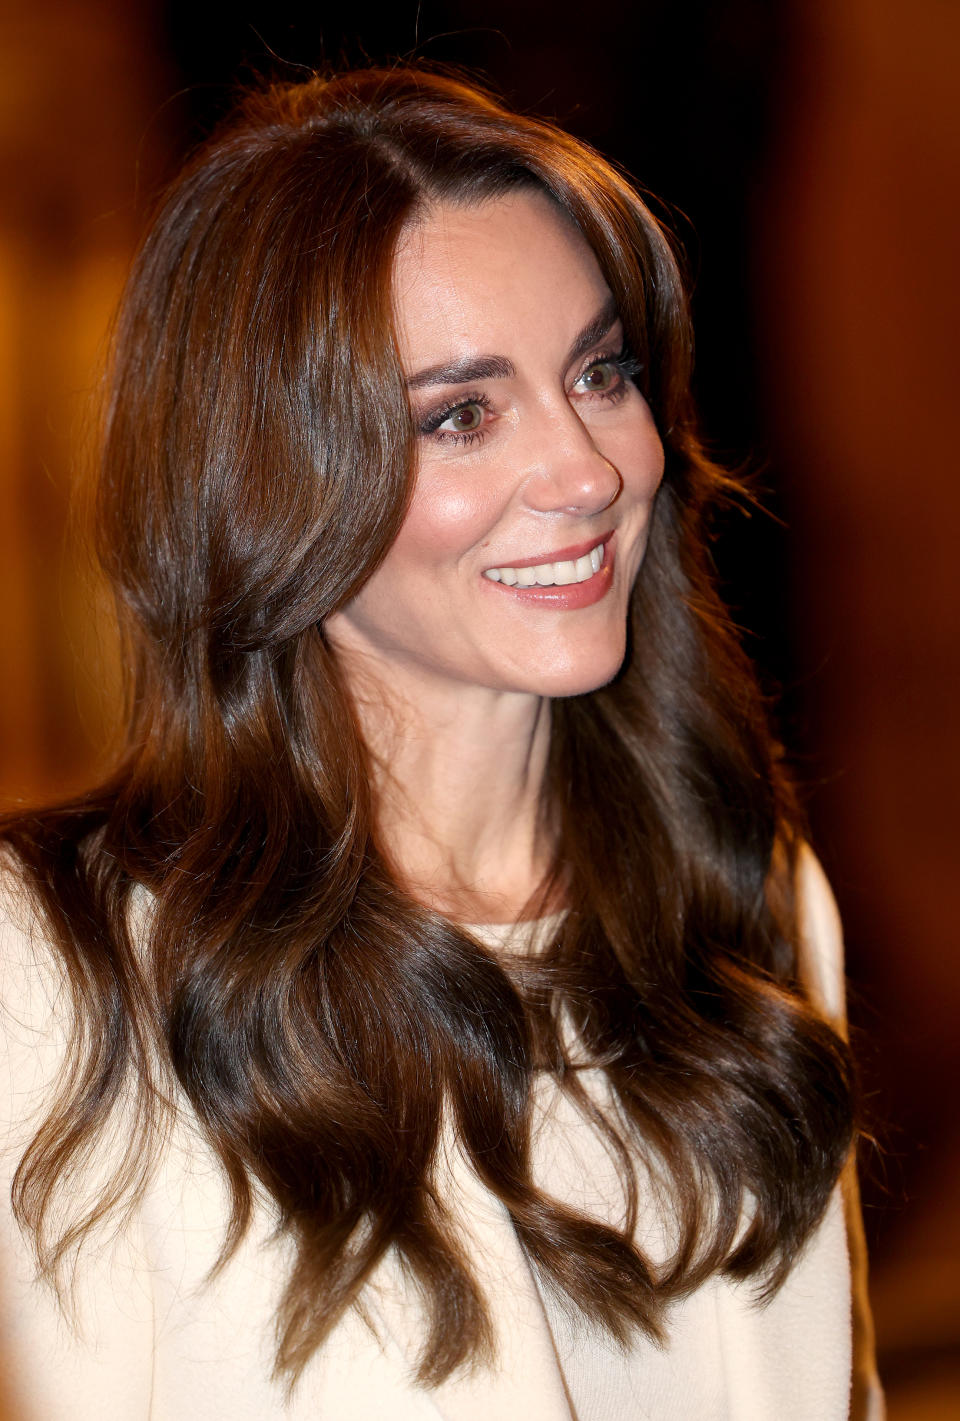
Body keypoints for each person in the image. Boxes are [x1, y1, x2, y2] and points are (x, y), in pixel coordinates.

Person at [0, 65, 882, 1419]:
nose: (588, 468)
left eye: (601, 371)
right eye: (460, 413)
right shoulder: (53, 970)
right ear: (269, 483)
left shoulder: (747, 893)